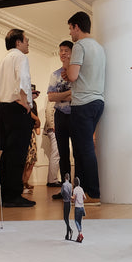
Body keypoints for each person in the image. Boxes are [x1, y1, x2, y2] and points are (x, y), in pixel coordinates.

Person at [63, 12, 105, 206]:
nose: (71, 33)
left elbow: (72, 76)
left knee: (84, 149)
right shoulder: (99, 47)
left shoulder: (80, 45)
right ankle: (80, 193)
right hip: (98, 101)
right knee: (82, 149)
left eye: (71, 28)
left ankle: (93, 193)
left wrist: (67, 73)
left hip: (83, 102)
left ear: (77, 27)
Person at [0, 29, 35, 208]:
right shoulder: (20, 57)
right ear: (18, 42)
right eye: (26, 40)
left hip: (2, 108)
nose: (28, 43)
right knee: (17, 154)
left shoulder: (3, 60)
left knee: (8, 154)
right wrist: (25, 102)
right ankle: (13, 196)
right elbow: (23, 79)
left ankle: (4, 195)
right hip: (16, 109)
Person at [47, 40, 73, 184]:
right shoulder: (55, 74)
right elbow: (51, 97)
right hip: (60, 116)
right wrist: (68, 93)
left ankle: (79, 188)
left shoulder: (77, 73)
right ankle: (65, 187)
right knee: (63, 153)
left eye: (66, 50)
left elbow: (78, 94)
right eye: (61, 50)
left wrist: (60, 95)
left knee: (78, 152)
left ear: (72, 53)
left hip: (75, 115)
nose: (62, 53)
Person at [22, 85, 41, 193]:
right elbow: (28, 114)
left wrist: (37, 125)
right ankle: (22, 183)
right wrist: (37, 119)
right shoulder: (24, 101)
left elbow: (36, 119)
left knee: (32, 160)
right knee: (26, 159)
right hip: (25, 131)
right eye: (34, 93)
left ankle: (25, 182)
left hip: (31, 132)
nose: (36, 95)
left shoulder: (34, 104)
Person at [44, 100, 61, 188]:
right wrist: (52, 125)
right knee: (56, 153)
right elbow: (49, 110)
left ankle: (52, 179)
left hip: (53, 128)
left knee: (56, 153)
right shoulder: (54, 95)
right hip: (54, 129)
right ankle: (52, 180)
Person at [71, 176, 86, 242]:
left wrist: (69, 196)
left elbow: (73, 198)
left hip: (77, 207)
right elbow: (84, 197)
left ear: (74, 183)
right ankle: (79, 235)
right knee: (80, 222)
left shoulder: (75, 189)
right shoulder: (81, 189)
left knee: (76, 221)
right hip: (82, 207)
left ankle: (80, 234)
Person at [61, 173, 73, 240]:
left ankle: (69, 229)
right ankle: (67, 234)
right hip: (69, 202)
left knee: (65, 218)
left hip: (66, 202)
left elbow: (62, 192)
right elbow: (70, 192)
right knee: (67, 218)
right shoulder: (70, 185)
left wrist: (66, 196)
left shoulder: (64, 185)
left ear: (65, 178)